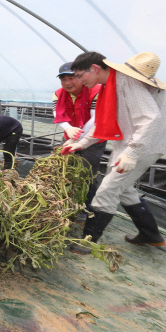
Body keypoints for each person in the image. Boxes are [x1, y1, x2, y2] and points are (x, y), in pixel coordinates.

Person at [63, 52, 166, 254]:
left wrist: (133, 153)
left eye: (79, 76)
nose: (78, 81)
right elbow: (105, 123)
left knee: (108, 189)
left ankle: (87, 242)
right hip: (132, 142)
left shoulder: (128, 81)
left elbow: (150, 119)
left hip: (146, 143)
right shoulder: (112, 84)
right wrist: (83, 143)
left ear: (94, 69)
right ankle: (150, 234)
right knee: (124, 188)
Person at [52, 61, 106, 217]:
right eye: (63, 79)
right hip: (69, 137)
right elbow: (58, 114)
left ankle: (85, 209)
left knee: (87, 174)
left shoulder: (96, 91)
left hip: (93, 140)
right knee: (63, 169)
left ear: (80, 77)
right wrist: (68, 128)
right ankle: (62, 204)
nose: (67, 83)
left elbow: (95, 120)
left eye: (72, 78)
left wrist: (79, 138)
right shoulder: (58, 93)